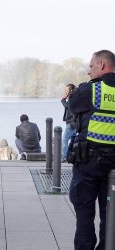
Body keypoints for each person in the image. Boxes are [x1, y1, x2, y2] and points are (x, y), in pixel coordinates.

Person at [68, 50, 115, 250]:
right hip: (114, 164)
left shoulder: (91, 90)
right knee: (110, 214)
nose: (89, 71)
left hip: (88, 162)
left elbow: (72, 106)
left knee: (85, 214)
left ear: (102, 65)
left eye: (91, 66)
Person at [61, 84, 77, 162]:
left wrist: (63, 100)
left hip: (71, 123)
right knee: (73, 140)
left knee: (65, 139)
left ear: (71, 90)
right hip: (75, 123)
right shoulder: (75, 97)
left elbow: (67, 106)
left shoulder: (72, 98)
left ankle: (64, 157)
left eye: (67, 90)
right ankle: (71, 157)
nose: (65, 92)